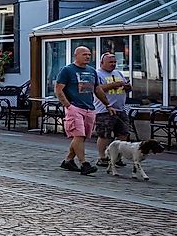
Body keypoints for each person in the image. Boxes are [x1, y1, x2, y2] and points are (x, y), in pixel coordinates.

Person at [56, 45, 106, 175]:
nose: (88, 56)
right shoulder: (67, 70)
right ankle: (84, 164)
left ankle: (68, 160)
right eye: (84, 54)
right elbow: (59, 89)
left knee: (82, 138)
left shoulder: (91, 70)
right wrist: (68, 105)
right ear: (76, 55)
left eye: (89, 54)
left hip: (89, 107)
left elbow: (97, 89)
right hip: (74, 107)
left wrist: (107, 104)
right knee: (79, 135)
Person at [94, 52, 134, 166]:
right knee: (105, 134)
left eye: (114, 62)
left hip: (120, 108)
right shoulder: (97, 74)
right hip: (104, 109)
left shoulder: (118, 73)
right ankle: (102, 158)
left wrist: (127, 87)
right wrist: (113, 85)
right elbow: (97, 89)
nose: (113, 64)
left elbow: (127, 88)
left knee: (123, 133)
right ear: (102, 62)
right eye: (110, 62)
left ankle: (117, 157)